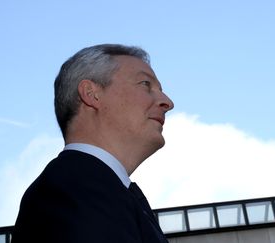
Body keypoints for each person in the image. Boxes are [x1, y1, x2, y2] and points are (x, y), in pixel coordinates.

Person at [12, 44, 174, 242]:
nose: (168, 102)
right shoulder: (71, 190)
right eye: (145, 84)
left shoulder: (92, 188)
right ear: (91, 94)